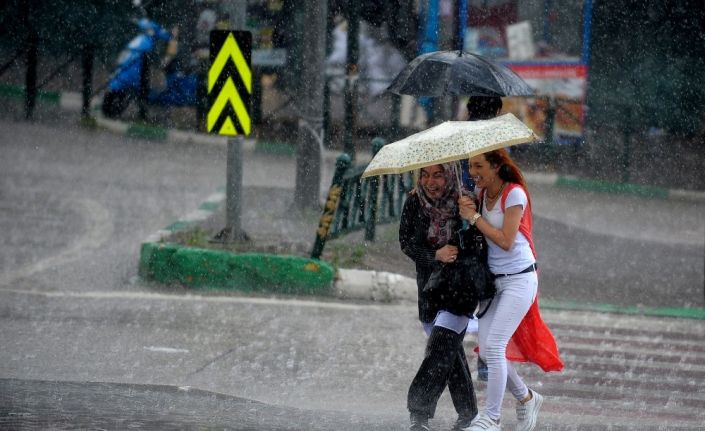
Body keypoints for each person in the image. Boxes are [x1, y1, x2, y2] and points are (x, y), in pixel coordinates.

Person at [458, 148, 563, 431]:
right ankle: (526, 398)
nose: (472, 173)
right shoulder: (481, 196)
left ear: (496, 166)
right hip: (495, 283)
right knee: (488, 350)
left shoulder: (513, 193)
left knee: (494, 348)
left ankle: (491, 419)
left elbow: (506, 240)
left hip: (519, 279)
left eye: (478, 166)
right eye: (469, 166)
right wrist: (469, 209)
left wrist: (474, 218)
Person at [399, 162, 480, 431]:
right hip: (429, 289)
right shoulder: (414, 202)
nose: (430, 182)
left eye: (438, 175)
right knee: (450, 351)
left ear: (450, 175)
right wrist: (435, 255)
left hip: (460, 288)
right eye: (425, 174)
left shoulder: (466, 201)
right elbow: (407, 242)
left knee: (440, 348)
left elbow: (480, 244)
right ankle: (469, 415)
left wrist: (468, 226)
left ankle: (419, 412)